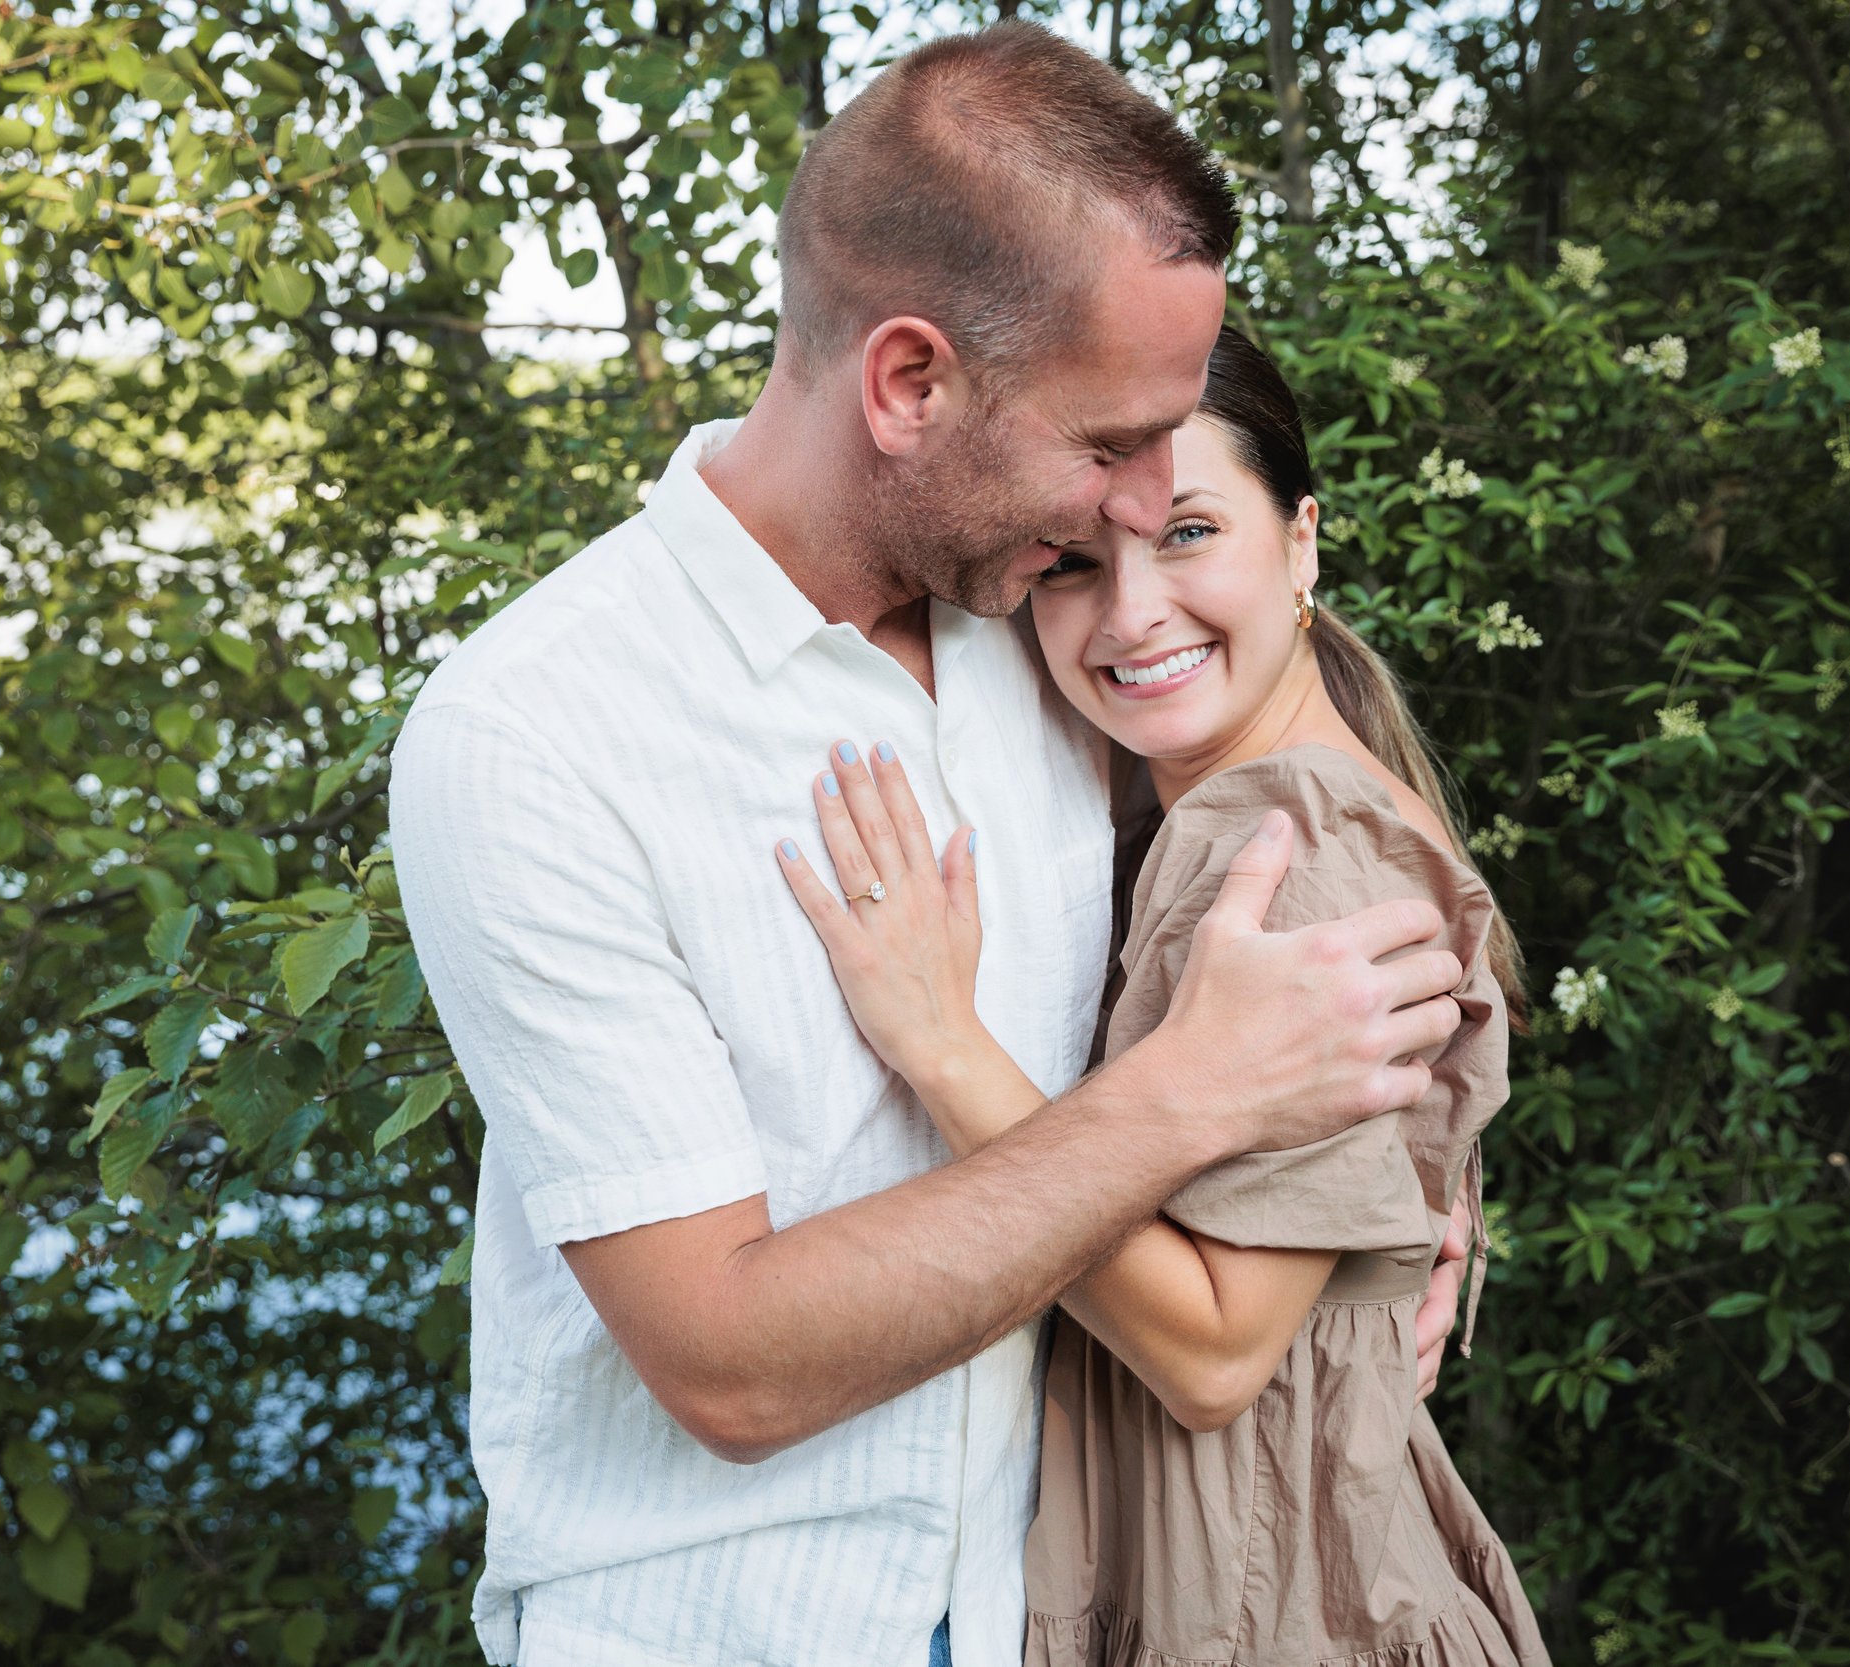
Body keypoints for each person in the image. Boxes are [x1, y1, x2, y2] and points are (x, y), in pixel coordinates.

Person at [387, 25, 1477, 1667]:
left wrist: (1393, 1192)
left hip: (1058, 1603)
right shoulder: (539, 734)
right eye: (1105, 445)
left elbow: (1307, 837)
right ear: (911, 384)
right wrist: (1201, 1095)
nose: (1138, 505)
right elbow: (727, 1365)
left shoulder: (1050, 629)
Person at [771, 327, 1550, 1665]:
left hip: (1270, 1613)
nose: (1131, 613)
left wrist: (942, 1043)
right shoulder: (1213, 805)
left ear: (1301, 542)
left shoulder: (1290, 843)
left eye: (1189, 532)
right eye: (1073, 561)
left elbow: (1212, 1355)